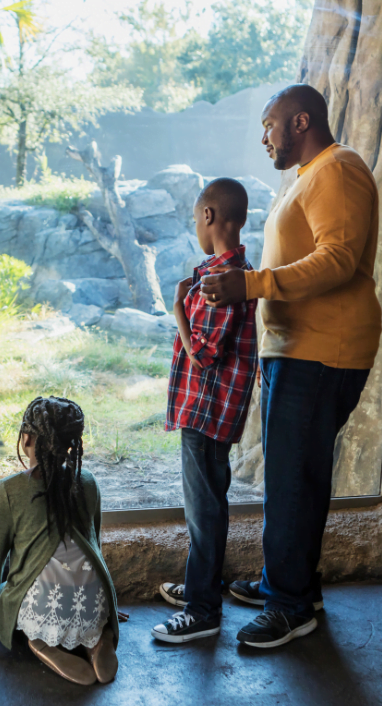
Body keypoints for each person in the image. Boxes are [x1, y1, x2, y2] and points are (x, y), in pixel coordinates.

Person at [199, 84, 381, 648]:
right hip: (298, 349)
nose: (264, 137)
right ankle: (291, 582)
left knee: (293, 481)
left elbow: (338, 260)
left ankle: (290, 605)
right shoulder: (308, 177)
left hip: (322, 352)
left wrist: (250, 285)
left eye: (270, 124)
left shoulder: (338, 170)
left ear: (301, 121)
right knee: (293, 476)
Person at [0, 397, 126, 686]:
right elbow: (94, 545)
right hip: (93, 597)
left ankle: (42, 643)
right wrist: (107, 602)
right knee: (77, 578)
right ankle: (97, 639)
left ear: (26, 438)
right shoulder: (88, 482)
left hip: (45, 609)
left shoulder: (9, 491)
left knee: (6, 594)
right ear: (70, 444)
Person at [151, 179, 258, 644]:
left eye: (197, 219)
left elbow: (204, 353)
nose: (196, 226)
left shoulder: (220, 282)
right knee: (207, 503)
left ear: (210, 217)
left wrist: (176, 306)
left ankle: (202, 610)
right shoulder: (227, 271)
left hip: (206, 412)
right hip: (210, 411)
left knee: (204, 510)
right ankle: (202, 586)